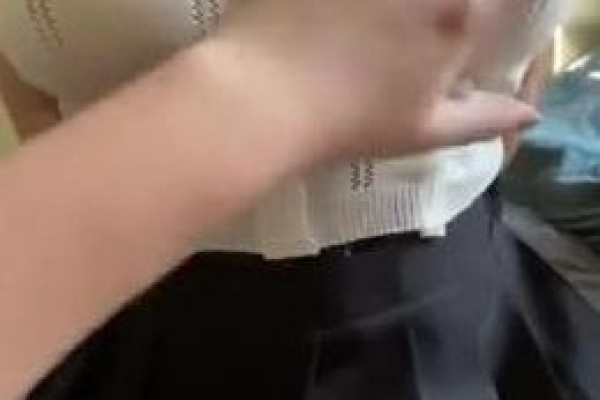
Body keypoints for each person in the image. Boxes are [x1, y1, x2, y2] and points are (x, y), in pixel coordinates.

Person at [0, 0, 598, 399]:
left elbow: (522, 76)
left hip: (467, 307)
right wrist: (269, 88)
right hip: (113, 317)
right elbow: (31, 99)